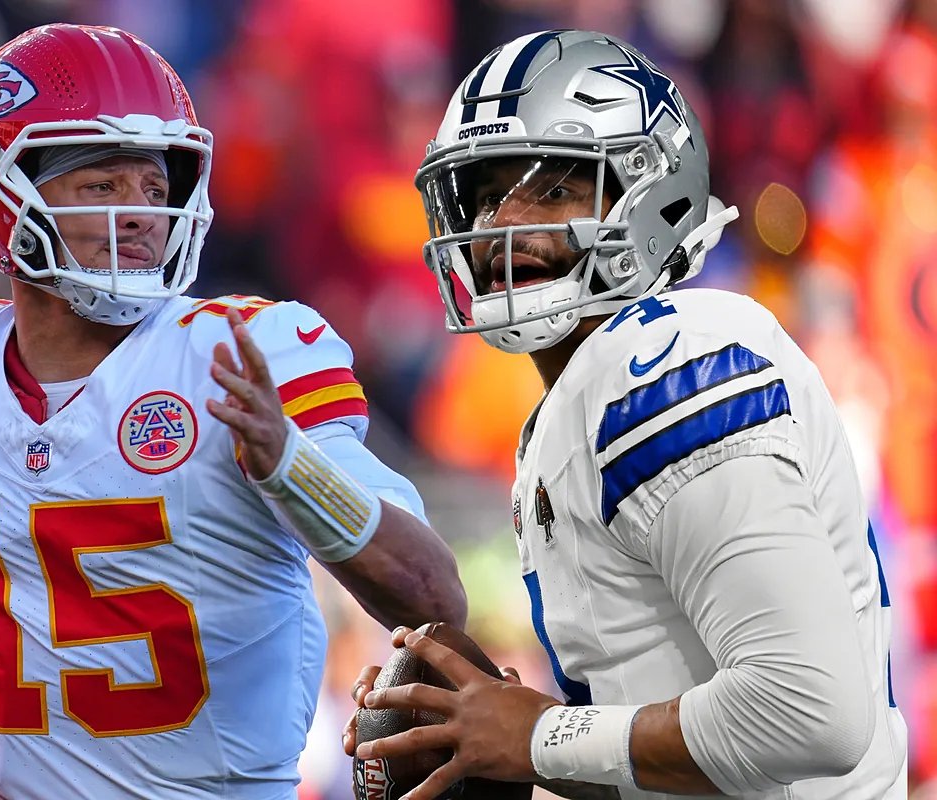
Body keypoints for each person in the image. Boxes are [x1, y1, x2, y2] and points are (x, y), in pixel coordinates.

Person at [0, 24, 467, 800]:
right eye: (101, 185)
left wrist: (292, 467)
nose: (144, 215)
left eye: (156, 187)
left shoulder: (244, 356)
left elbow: (431, 596)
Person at [346, 29, 907, 799]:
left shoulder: (670, 367)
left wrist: (539, 735)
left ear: (653, 194)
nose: (503, 222)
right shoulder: (575, 402)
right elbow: (688, 759)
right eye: (484, 193)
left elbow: (811, 713)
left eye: (552, 188)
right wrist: (471, 733)